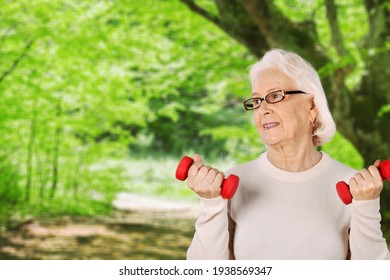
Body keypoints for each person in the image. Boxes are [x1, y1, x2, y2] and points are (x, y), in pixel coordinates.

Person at [185, 49, 390, 260]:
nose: (263, 108)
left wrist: (366, 205)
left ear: (311, 106)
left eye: (275, 96)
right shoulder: (234, 182)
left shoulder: (352, 185)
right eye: (256, 101)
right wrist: (211, 205)